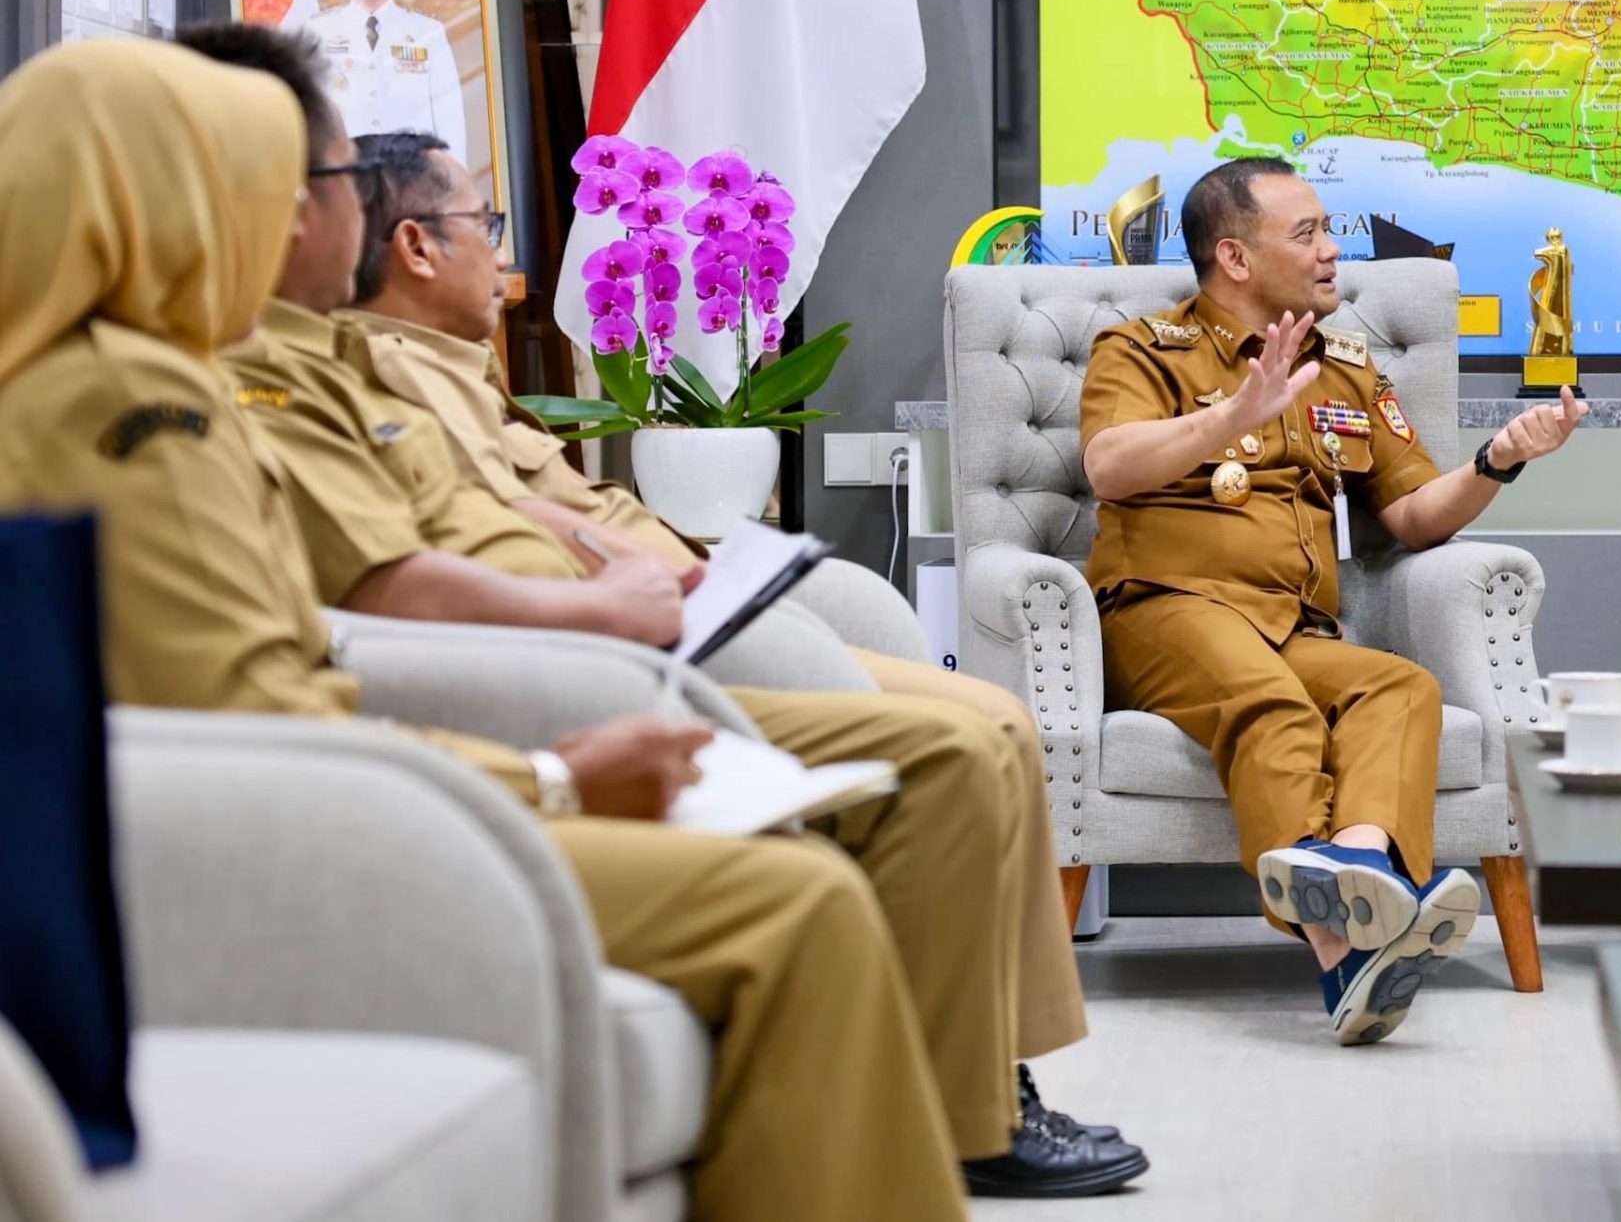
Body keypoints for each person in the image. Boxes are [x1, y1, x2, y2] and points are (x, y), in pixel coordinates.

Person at [0, 37, 966, 1222]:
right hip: (294, 837)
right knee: (796, 903)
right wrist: (553, 777)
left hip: (338, 794)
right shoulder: (136, 402)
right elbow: (266, 707)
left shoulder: (107, 375)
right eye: (277, 183)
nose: (303, 218)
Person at [176, 23, 1140, 1199]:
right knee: (944, 756)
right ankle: (975, 1102)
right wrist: (577, 679)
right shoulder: (249, 380)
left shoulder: (312, 362)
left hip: (607, 639)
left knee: (978, 734)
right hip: (547, 676)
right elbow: (371, 597)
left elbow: (490, 518)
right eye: (325, 182)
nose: (338, 211)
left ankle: (984, 1082)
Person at [326, 124, 1101, 1112]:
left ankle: (991, 1067)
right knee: (976, 732)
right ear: (417, 246)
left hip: (685, 599)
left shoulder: (457, 368)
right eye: (488, 223)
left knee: (998, 722)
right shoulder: (372, 380)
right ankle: (985, 1088)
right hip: (640, 639)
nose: (504, 253)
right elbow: (467, 545)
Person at [1080, 157, 1589, 1044]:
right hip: (1163, 610)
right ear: (1235, 257)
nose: (1331, 252)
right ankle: (1342, 947)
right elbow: (1109, 466)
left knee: (1401, 687)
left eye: (1328, 230)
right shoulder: (1142, 350)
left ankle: (1359, 875)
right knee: (1273, 705)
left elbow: (1414, 517)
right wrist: (1231, 416)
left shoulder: (1346, 368)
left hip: (1290, 625)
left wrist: (1498, 460)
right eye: (1307, 233)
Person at [296, 0, 468, 148]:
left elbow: (448, 111)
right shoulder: (317, 32)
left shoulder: (427, 31)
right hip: (348, 162)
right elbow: (309, 110)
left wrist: (453, 168)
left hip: (411, 162)